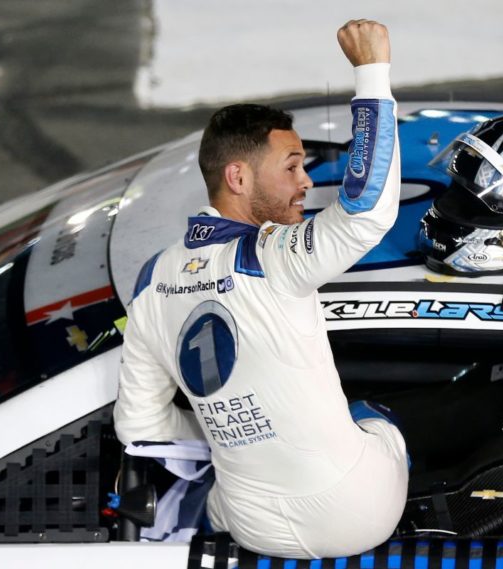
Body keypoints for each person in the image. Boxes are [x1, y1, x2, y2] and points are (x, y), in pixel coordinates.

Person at [113, 19, 407, 559]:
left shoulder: (151, 281)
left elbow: (138, 425)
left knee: (232, 478)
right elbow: (365, 213)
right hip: (355, 513)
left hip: (247, 524)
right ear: (238, 178)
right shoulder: (269, 255)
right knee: (378, 417)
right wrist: (372, 71)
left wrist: (233, 430)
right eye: (293, 166)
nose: (306, 182)